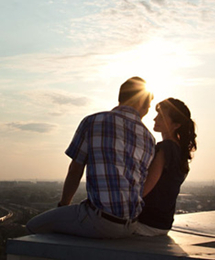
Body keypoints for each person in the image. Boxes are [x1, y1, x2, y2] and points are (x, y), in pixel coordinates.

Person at [26, 76, 155, 238]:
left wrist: (63, 205)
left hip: (101, 222)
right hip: (131, 225)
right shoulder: (149, 138)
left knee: (33, 227)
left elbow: (75, 170)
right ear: (139, 102)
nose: (146, 111)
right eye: (148, 106)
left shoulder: (93, 122)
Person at [134, 98, 197, 236]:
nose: (155, 119)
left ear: (176, 125)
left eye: (161, 116)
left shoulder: (165, 149)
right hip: (162, 224)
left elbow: (145, 189)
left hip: (146, 223)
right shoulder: (179, 151)